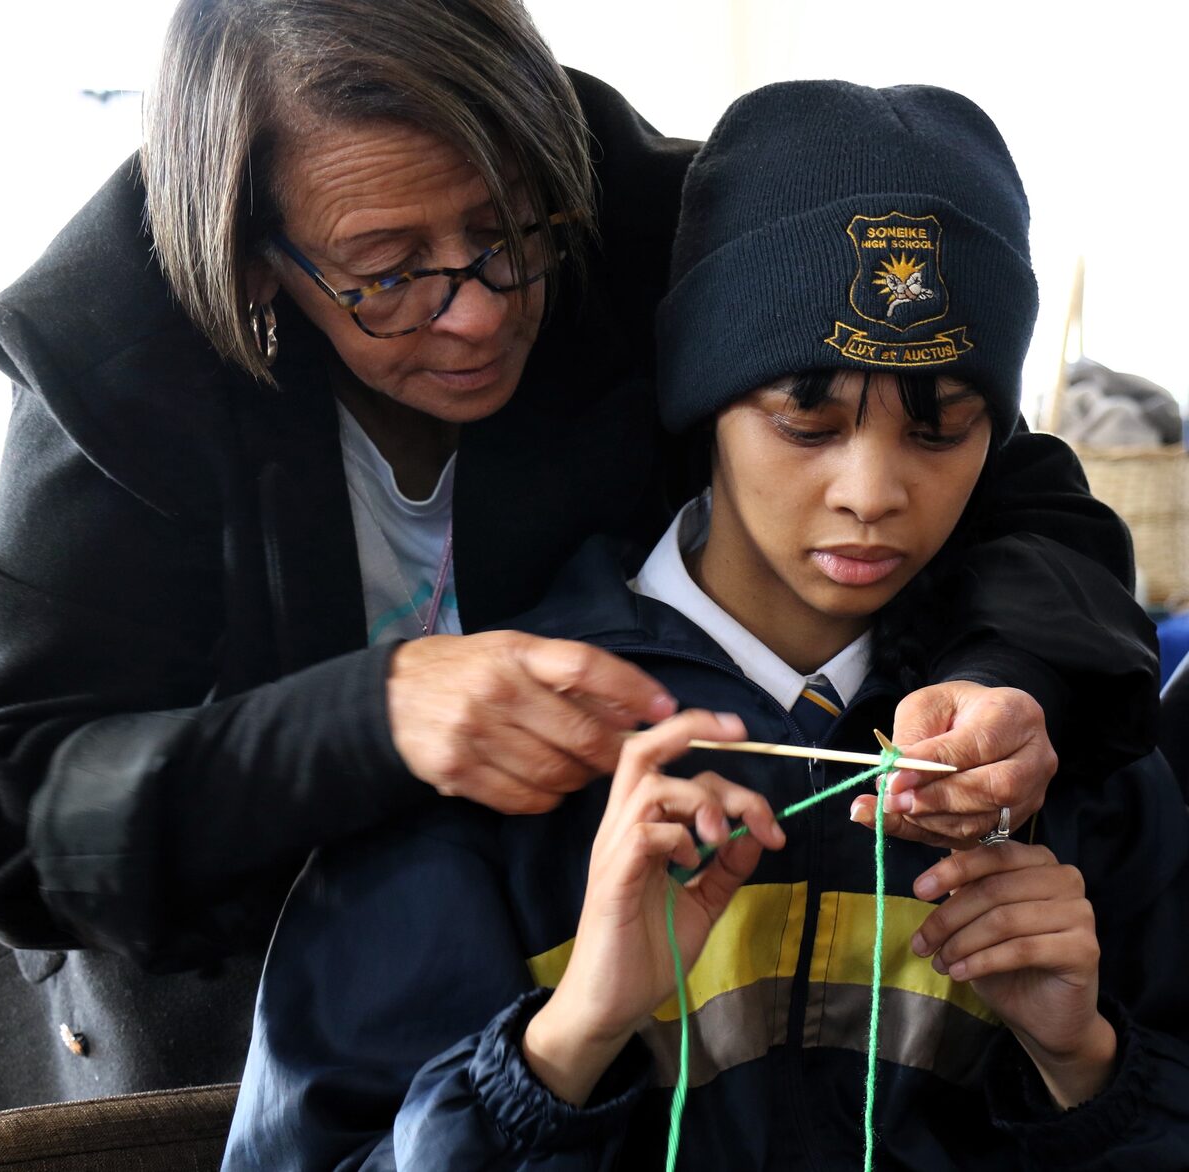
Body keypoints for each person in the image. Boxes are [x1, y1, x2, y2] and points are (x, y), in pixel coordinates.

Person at [0, 0, 1155, 1107]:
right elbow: (20, 821)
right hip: (221, 1015)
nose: (481, 313)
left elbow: (1022, 492)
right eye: (390, 271)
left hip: (607, 990)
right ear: (254, 259)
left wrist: (1011, 681)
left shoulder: (653, 225)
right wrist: (365, 718)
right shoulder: (112, 367)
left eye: (511, 235)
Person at [221, 81, 1189, 1170]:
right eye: (805, 420)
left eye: (943, 425)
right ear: (702, 397)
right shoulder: (505, 761)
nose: (871, 491)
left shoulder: (1056, 766)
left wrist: (1087, 1070)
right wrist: (564, 1040)